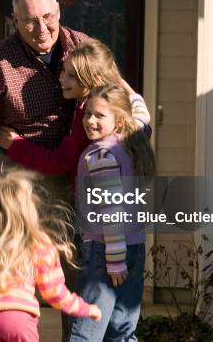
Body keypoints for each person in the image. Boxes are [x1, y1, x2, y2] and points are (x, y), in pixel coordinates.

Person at [0, 0, 90, 203]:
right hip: (21, 185)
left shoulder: (83, 48)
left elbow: (120, 97)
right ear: (15, 21)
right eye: (31, 22)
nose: (42, 29)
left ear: (59, 11)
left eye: (48, 17)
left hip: (81, 176)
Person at [0, 171, 102, 342]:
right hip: (18, 318)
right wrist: (86, 309)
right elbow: (55, 294)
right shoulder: (38, 246)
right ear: (30, 211)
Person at [0, 39, 151, 187]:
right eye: (63, 71)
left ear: (94, 81)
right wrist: (130, 92)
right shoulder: (118, 114)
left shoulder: (89, 119)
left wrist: (15, 145)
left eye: (71, 76)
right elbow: (142, 116)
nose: (61, 79)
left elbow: (58, 161)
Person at [69, 85, 154, 341]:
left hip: (105, 253)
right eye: (87, 114)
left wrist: (114, 261)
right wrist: (128, 89)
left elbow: (111, 209)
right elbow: (141, 114)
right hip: (135, 247)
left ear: (118, 120)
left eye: (99, 115)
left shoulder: (101, 156)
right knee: (122, 329)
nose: (90, 121)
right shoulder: (132, 140)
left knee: (88, 330)